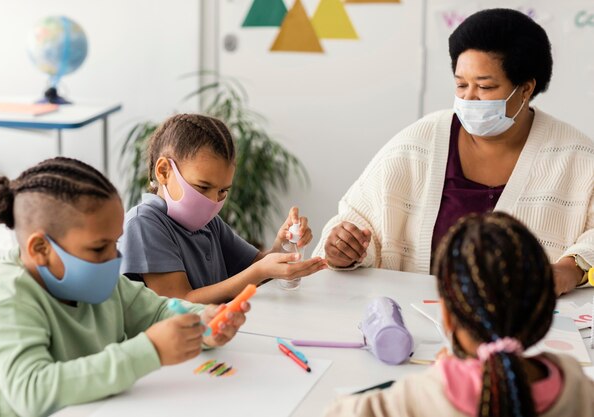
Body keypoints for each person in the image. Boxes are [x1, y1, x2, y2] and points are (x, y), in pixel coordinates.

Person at [313, 8, 594, 295]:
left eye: (485, 86)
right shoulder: (419, 142)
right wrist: (344, 250)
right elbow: (357, 222)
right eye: (461, 84)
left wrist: (572, 268)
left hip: (525, 331)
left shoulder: (578, 158)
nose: (469, 98)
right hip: (418, 325)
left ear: (525, 89)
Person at [0, 157, 248, 417]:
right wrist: (150, 350)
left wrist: (204, 323)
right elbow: (32, 390)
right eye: (99, 247)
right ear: (41, 248)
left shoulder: (100, 280)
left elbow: (158, 310)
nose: (113, 258)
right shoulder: (6, 298)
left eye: (114, 243)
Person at [325, 212, 594, 417]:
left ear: (447, 316)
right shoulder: (574, 384)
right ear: (544, 314)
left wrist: (444, 374)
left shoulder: (420, 396)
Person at [119, 114, 327, 304]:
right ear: (164, 171)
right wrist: (259, 271)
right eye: (203, 187)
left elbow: (256, 267)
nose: (212, 200)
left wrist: (282, 248)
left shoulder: (209, 224)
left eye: (222, 191)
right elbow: (181, 302)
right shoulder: (144, 224)